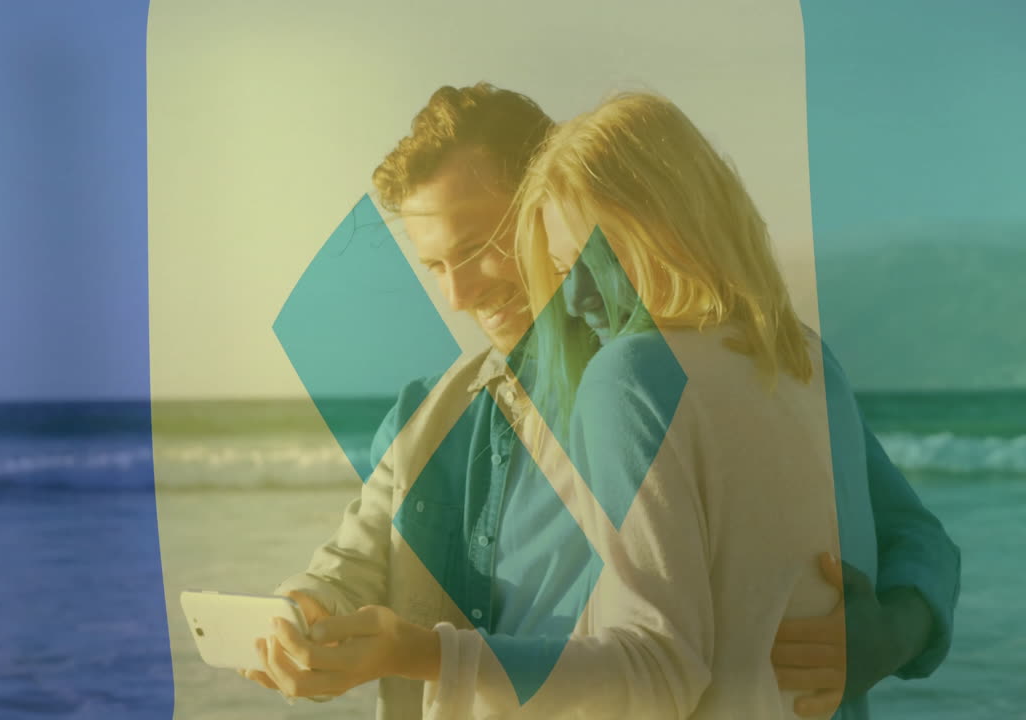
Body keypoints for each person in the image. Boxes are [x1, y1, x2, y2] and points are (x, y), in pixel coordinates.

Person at [248, 84, 959, 719]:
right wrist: (299, 613)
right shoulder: (430, 414)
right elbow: (352, 564)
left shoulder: (699, 374)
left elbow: (911, 535)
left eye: (481, 247)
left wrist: (894, 630)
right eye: (435, 265)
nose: (458, 294)